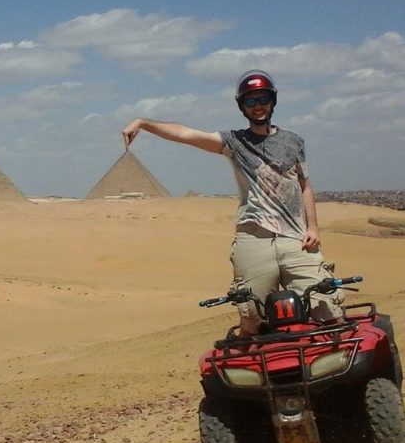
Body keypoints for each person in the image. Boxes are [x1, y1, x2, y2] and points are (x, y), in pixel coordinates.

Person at [121, 69, 343, 336]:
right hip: (254, 239)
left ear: (273, 101)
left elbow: (305, 185)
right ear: (242, 106)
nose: (258, 106)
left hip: (295, 238)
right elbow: (184, 134)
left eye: (263, 99)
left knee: (327, 308)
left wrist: (314, 228)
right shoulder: (234, 142)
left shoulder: (294, 141)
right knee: (250, 316)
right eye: (251, 101)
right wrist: (143, 123)